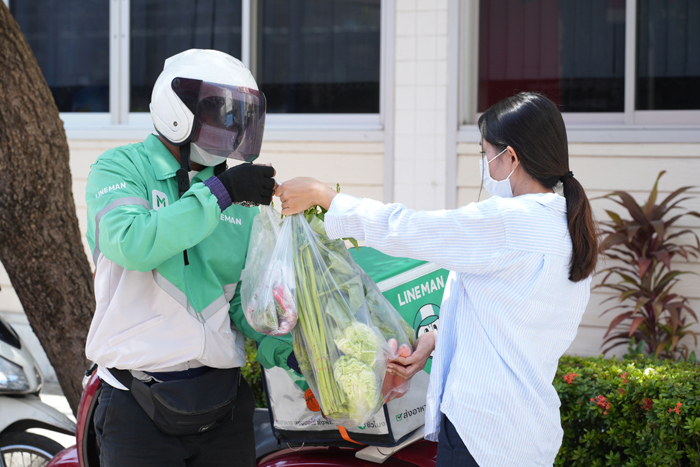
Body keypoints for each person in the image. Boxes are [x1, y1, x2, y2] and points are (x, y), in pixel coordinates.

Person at [275, 92, 598, 467]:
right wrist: (432, 341)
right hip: (525, 430)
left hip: (482, 433)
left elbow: (410, 229)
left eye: (485, 154)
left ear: (510, 157)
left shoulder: (510, 221)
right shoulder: (565, 225)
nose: (485, 166)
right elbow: (512, 319)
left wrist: (325, 197)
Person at [85, 49, 280, 467]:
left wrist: (293, 347)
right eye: (220, 115)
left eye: (239, 118)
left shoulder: (232, 190)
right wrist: (220, 194)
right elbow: (130, 242)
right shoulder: (121, 168)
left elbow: (242, 304)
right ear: (179, 111)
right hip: (136, 409)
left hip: (223, 408)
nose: (231, 129)